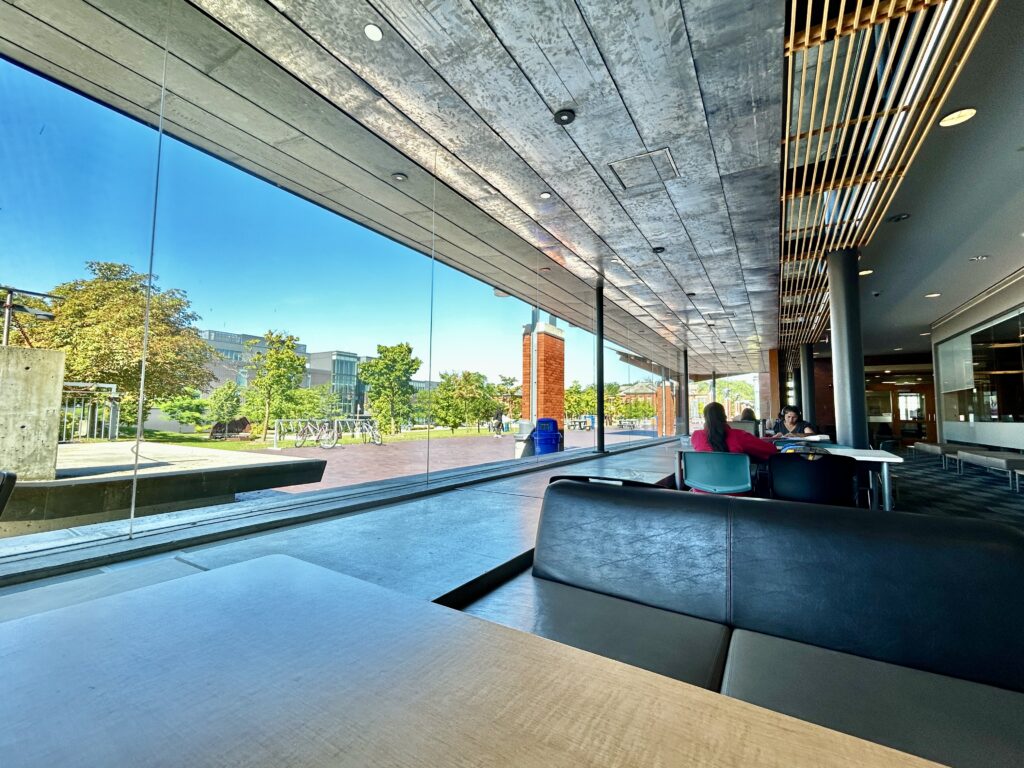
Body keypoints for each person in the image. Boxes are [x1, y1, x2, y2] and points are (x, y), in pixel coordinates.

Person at [691, 402, 776, 463]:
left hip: (702, 486)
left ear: (705, 418)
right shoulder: (739, 436)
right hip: (736, 486)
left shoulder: (696, 436)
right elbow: (771, 450)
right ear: (725, 417)